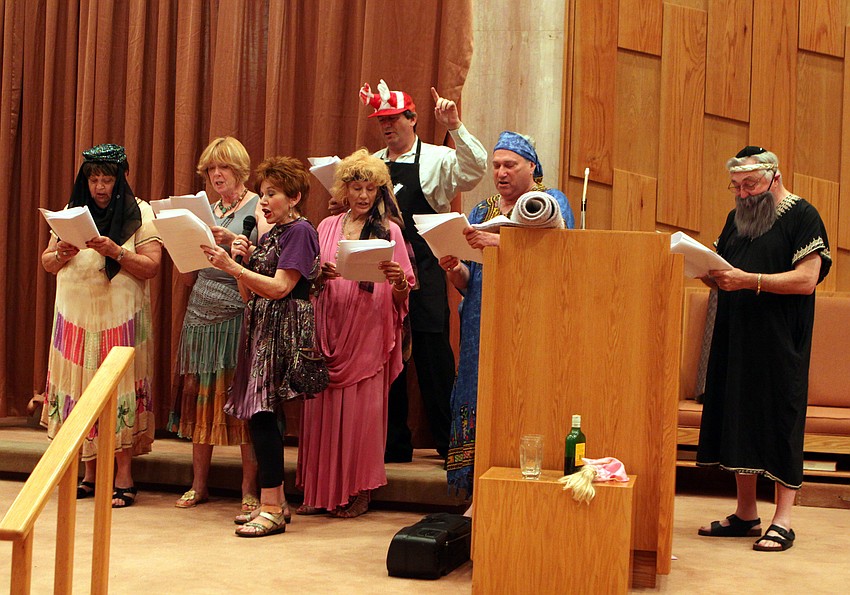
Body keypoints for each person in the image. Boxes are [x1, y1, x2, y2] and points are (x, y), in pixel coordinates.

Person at [696, 146, 831, 552]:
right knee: (738, 418)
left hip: (779, 341)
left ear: (774, 177)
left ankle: (784, 520)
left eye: (750, 184)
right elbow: (725, 270)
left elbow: (807, 280)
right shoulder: (736, 219)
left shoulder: (803, 215)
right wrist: (710, 273)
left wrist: (748, 280)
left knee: (779, 421)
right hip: (736, 338)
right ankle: (746, 513)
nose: (742, 194)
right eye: (735, 187)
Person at [441, 131, 574, 500]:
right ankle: (475, 492)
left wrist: (500, 241)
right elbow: (470, 279)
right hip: (482, 320)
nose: (501, 172)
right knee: (478, 394)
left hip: (533, 318)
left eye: (510, 165)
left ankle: (521, 490)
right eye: (496, 165)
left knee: (523, 396)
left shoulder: (551, 201)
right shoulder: (482, 211)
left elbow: (561, 253)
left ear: (531, 165)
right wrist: (453, 269)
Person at [359, 79, 487, 463]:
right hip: (384, 274)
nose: (387, 125)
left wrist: (454, 126)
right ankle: (393, 444)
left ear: (412, 118)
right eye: (381, 120)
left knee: (434, 360)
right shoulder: (373, 163)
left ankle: (453, 446)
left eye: (394, 118)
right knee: (389, 360)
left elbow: (474, 169)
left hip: (427, 272)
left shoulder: (435, 159)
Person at [202, 155, 319, 537]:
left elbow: (283, 287)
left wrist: (235, 267)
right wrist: (240, 262)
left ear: (295, 197)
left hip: (283, 332)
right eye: (263, 193)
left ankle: (270, 505)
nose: (264, 201)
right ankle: (276, 501)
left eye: (273, 194)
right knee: (259, 417)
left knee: (265, 416)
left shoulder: (300, 231)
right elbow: (250, 295)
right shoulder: (271, 234)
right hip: (261, 326)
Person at [40, 143, 162, 508]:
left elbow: (151, 266)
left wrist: (117, 252)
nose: (100, 187)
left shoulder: (139, 212)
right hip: (75, 319)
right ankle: (90, 473)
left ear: (119, 179)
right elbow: (46, 263)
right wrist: (60, 252)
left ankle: (123, 476)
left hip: (119, 320)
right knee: (81, 390)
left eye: (107, 179)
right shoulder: (70, 213)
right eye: (93, 179)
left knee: (115, 391)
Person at [296, 149, 414, 517]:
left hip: (367, 330)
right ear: (343, 190)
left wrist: (398, 283)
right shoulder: (325, 226)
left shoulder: (390, 231)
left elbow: (404, 290)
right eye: (356, 187)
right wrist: (319, 276)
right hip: (327, 325)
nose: (363, 195)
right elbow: (307, 281)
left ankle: (360, 490)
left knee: (364, 415)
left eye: (370, 189)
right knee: (321, 413)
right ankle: (319, 492)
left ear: (379, 191)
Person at [169, 137, 261, 512]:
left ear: (239, 170)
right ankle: (199, 484)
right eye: (210, 168)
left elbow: (268, 263)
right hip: (200, 310)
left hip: (239, 309)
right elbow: (188, 274)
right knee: (201, 397)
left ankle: (249, 488)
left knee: (243, 401)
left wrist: (235, 245)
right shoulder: (203, 209)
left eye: (223, 167)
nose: (216, 175)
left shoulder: (260, 207)